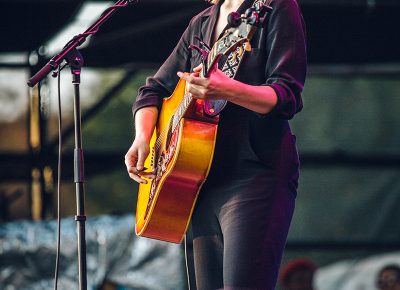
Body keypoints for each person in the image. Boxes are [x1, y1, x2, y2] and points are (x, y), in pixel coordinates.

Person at [125, 0, 307, 288]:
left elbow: (287, 96)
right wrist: (143, 138)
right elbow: (153, 90)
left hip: (254, 173)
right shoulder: (202, 22)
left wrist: (227, 89)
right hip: (199, 179)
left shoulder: (275, 6)